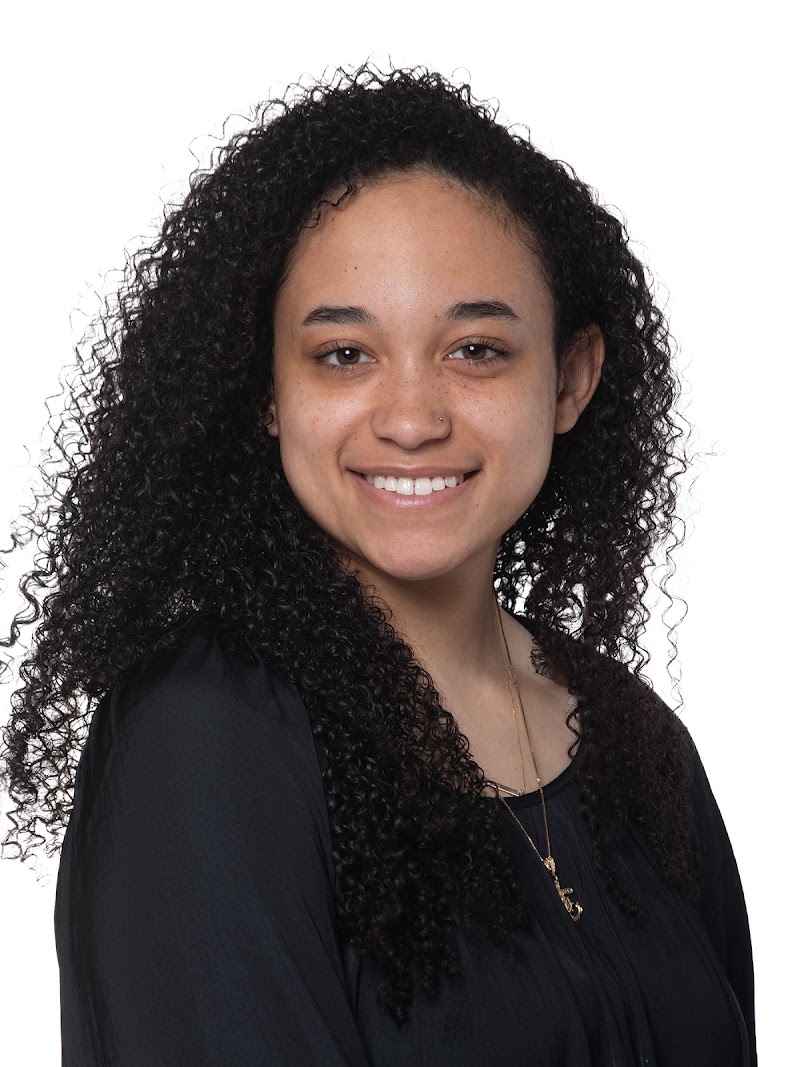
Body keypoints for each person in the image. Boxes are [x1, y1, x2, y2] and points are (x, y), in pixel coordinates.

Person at [0, 64, 756, 1065]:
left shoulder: (638, 742)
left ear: (570, 378)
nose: (410, 419)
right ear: (266, 392)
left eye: (475, 349)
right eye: (343, 355)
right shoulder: (207, 731)